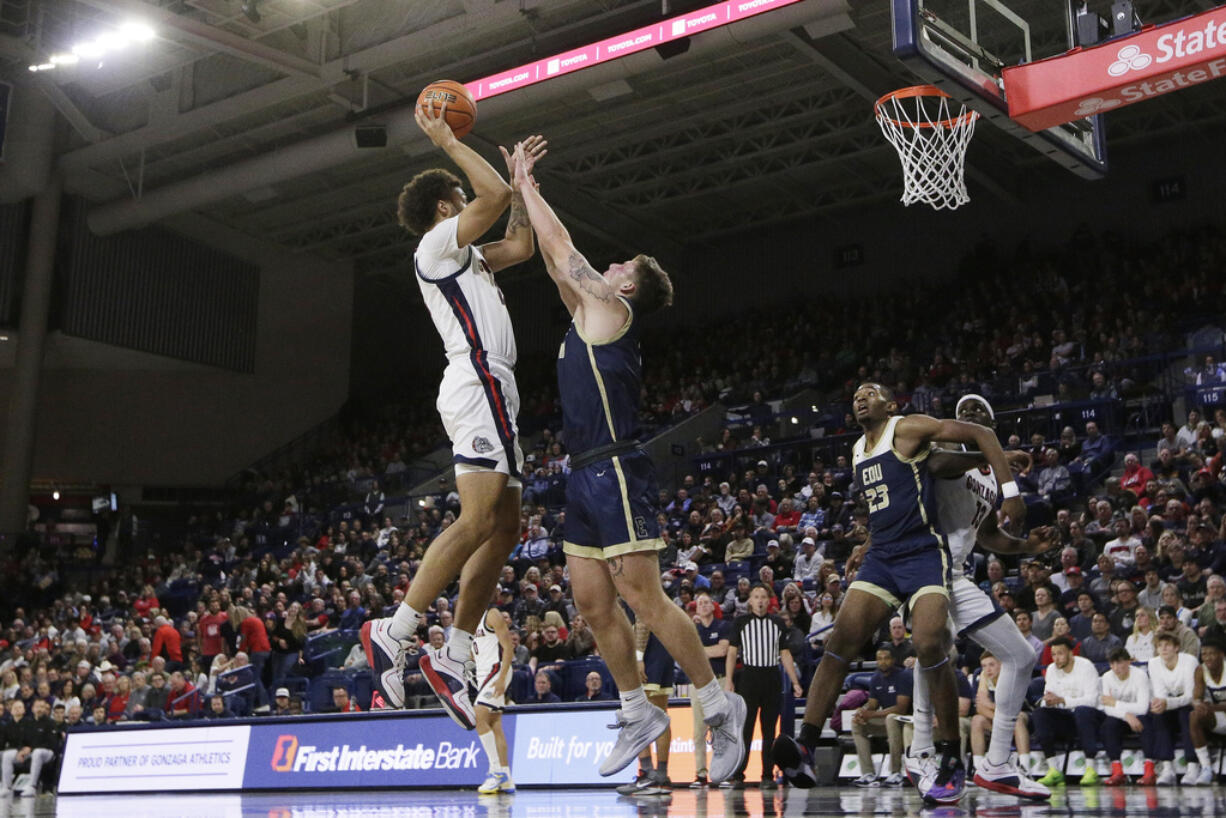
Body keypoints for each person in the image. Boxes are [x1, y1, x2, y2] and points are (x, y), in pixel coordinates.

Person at [509, 141, 744, 782]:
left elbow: (565, 254)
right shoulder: (588, 312)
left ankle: (719, 705)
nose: (606, 265)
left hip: (615, 467)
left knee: (642, 594)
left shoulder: (614, 309)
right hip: (582, 471)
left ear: (628, 284)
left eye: (618, 264)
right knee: (589, 601)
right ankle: (636, 708)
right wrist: (516, 198)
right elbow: (556, 268)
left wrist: (528, 183)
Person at [360, 112, 546, 725]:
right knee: (477, 518)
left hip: (498, 386)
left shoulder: (472, 258)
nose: (473, 205)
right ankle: (398, 629)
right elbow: (488, 197)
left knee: (506, 525)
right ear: (446, 209)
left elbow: (520, 242)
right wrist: (449, 143)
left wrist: (522, 188)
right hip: (477, 377)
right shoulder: (437, 246)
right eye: (461, 200)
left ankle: (456, 653)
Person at [775, 382, 1026, 805]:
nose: (859, 396)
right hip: (884, 557)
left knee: (929, 643)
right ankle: (805, 743)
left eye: (870, 392)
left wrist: (1010, 490)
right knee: (839, 643)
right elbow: (899, 496)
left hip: (924, 553)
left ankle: (949, 756)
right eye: (855, 393)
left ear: (889, 405)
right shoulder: (858, 450)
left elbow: (980, 435)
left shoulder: (906, 427)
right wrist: (867, 545)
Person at [904, 393, 1054, 799]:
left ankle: (998, 763)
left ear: (992, 423)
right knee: (935, 648)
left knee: (1022, 656)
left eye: (980, 413)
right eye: (964, 413)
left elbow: (988, 536)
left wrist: (1028, 547)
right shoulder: (946, 448)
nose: (970, 414)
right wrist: (992, 453)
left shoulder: (990, 476)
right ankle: (918, 750)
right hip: (924, 567)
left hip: (957, 575)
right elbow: (936, 466)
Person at [725, 583, 803, 790]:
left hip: (771, 677)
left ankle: (767, 775)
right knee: (746, 730)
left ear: (769, 601)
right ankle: (738, 775)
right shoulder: (741, 622)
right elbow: (732, 652)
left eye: (763, 597)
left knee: (769, 731)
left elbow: (785, 654)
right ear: (750, 601)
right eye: (756, 596)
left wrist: (795, 681)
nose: (760, 600)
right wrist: (729, 679)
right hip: (749, 678)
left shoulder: (777, 622)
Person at [1030, 636, 1101, 786]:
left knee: (1082, 711)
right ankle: (1053, 770)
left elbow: (1092, 700)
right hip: (1067, 718)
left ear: (1070, 653)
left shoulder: (1086, 666)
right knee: (1040, 713)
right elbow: (1048, 697)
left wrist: (1062, 700)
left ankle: (1090, 769)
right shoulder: (1051, 669)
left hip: (1091, 718)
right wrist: (1047, 701)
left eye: (1060, 653)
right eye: (1053, 654)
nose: (1056, 658)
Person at [1141, 632, 1199, 785]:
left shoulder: (1189, 661)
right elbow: (1160, 694)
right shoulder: (1153, 663)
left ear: (1177, 647)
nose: (1163, 649)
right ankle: (1167, 767)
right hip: (1170, 705)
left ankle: (1193, 766)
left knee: (1186, 714)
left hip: (1191, 705)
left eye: (1167, 645)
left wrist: (1166, 703)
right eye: (1160, 646)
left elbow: (1190, 696)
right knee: (1158, 715)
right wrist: (1161, 704)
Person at [850, 646, 913, 787]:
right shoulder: (876, 678)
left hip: (907, 722)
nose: (882, 662)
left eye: (886, 658)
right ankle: (868, 773)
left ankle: (895, 772)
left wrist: (872, 714)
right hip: (887, 721)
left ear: (893, 660)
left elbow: (901, 708)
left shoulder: (904, 676)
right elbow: (872, 703)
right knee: (856, 722)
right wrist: (863, 711)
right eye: (879, 659)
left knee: (891, 718)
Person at [1092, 647, 1151, 786]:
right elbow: (1107, 708)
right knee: (1108, 725)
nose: (1116, 667)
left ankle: (1149, 771)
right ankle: (1117, 770)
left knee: (1146, 723)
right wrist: (1126, 715)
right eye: (1112, 664)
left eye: (1119, 663)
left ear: (1128, 662)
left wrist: (1116, 703)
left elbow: (1142, 707)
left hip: (1140, 716)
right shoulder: (1106, 677)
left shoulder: (1140, 676)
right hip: (1122, 717)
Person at [472, 607, 515, 795]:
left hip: (497, 670)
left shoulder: (491, 614)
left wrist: (502, 676)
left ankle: (496, 771)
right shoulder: (467, 620)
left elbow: (508, 647)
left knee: (479, 716)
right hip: (482, 674)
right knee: (495, 723)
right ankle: (506, 776)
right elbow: (474, 651)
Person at [970, 652, 1035, 777]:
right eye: (984, 666)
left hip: (1022, 715)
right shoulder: (983, 677)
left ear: (1001, 664)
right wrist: (999, 719)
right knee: (977, 720)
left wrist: (988, 705)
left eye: (991, 665)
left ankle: (1025, 767)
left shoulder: (1012, 677)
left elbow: (1012, 709)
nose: (987, 669)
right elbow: (980, 708)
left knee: (1016, 720)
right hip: (1000, 719)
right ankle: (977, 768)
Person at [690, 592, 730, 788]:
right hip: (697, 684)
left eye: (707, 602)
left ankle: (723, 772)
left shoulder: (723, 626)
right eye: (700, 603)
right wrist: (706, 652)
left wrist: (699, 652)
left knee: (721, 729)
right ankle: (701, 774)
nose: (704, 605)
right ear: (696, 609)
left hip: (719, 681)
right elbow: (687, 655)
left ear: (713, 606)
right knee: (698, 731)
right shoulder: (692, 630)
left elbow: (722, 650)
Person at [1185, 636, 1226, 786]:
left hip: (1219, 712)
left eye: (1211, 653)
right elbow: (1196, 697)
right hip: (1220, 718)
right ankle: (1206, 768)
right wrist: (1198, 705)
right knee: (1194, 715)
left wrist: (1212, 707)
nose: (1207, 657)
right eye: (1204, 654)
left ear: (1222, 654)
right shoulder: (1201, 670)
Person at [0, 699, 56, 797]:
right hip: (31, 751)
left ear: (46, 709)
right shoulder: (28, 723)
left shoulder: (50, 723)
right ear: (33, 709)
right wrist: (20, 751)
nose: (40, 709)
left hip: (47, 752)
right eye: (37, 707)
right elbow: (23, 740)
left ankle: (32, 786)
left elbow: (50, 743)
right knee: (7, 755)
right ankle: (6, 787)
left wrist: (31, 748)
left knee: (37, 752)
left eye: (42, 707)